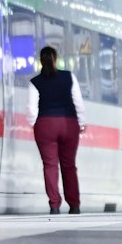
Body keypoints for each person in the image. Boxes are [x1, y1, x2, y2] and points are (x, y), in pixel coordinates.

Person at [28, 45, 84, 214]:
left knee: (50, 165)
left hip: (45, 124)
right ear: (56, 59)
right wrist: (81, 121)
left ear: (40, 61)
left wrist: (35, 124)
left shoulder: (35, 82)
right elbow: (78, 102)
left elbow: (32, 109)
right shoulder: (69, 77)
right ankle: (74, 205)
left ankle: (54, 204)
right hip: (69, 123)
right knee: (69, 165)